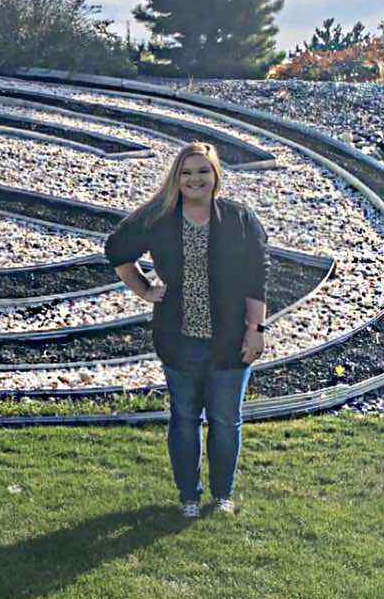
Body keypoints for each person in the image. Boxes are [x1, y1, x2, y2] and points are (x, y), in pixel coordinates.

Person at [104, 142, 268, 518]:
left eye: (203, 171)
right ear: (176, 179)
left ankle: (222, 495)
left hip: (229, 341)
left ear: (216, 176)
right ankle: (189, 496)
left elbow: (256, 279)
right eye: (187, 172)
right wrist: (145, 290)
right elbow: (117, 250)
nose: (196, 179)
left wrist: (255, 329)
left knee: (226, 420)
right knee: (184, 419)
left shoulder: (239, 219)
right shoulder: (160, 218)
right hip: (179, 340)